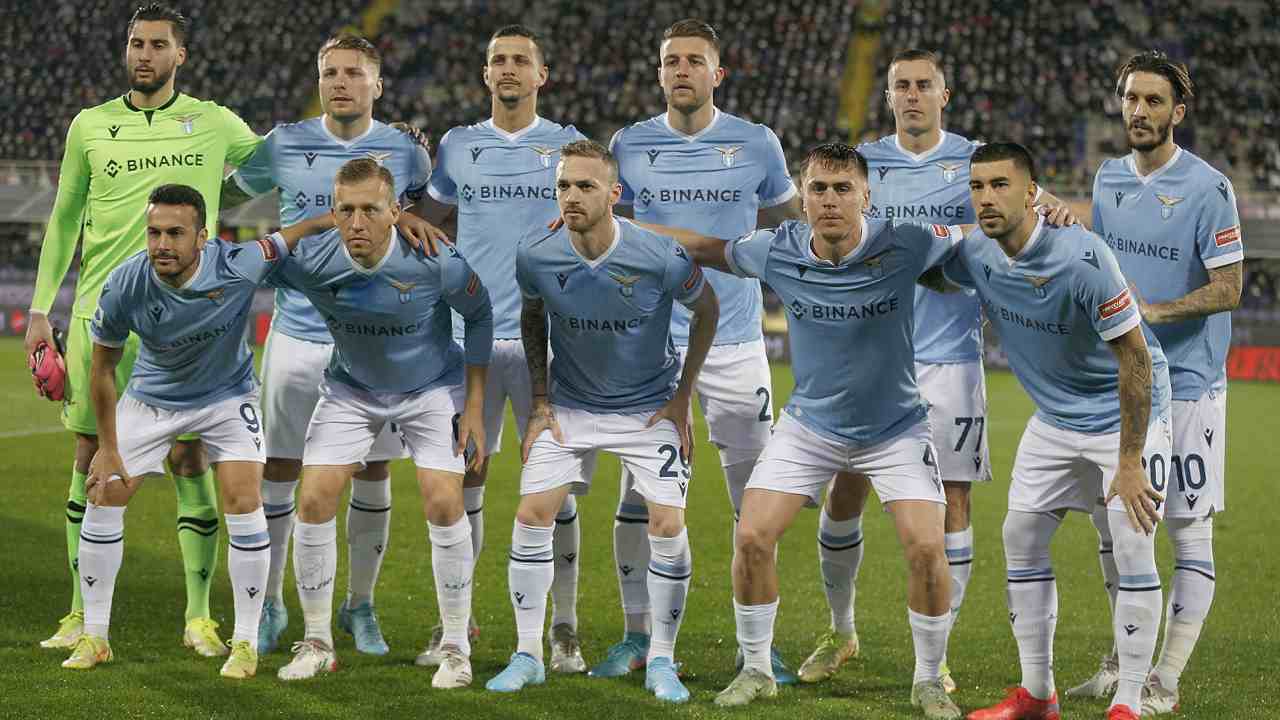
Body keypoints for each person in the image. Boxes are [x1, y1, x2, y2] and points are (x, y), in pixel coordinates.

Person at [645, 142, 962, 719]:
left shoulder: (910, 240)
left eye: (843, 189)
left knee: (925, 547)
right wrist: (620, 225)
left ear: (868, 196)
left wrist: (1046, 209)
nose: (830, 200)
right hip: (811, 425)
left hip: (894, 428)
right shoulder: (777, 249)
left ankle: (928, 680)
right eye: (818, 189)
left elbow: (983, 242)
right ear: (803, 196)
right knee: (751, 537)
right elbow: (702, 248)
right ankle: (758, 669)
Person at [805, 48, 1073, 689]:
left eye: (925, 85)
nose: (913, 95)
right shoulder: (865, 165)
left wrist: (1053, 205)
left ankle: (939, 653)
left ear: (945, 94)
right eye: (902, 85)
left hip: (950, 359)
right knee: (846, 489)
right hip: (870, 355)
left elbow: (1033, 208)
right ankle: (841, 630)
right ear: (889, 96)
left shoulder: (977, 164)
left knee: (953, 498)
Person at [26, 3, 263, 655]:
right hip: (100, 319)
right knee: (89, 459)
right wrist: (42, 308)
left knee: (191, 459)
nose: (145, 54)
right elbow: (64, 216)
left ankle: (198, 617)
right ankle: (80, 614)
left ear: (179, 55)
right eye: (136, 43)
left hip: (187, 323)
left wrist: (228, 203)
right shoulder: (90, 125)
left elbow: (271, 169)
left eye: (158, 44)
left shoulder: (214, 123)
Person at [223, 32, 447, 657]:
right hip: (297, 332)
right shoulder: (284, 142)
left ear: (377, 84)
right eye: (329, 72)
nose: (340, 82)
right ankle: (268, 604)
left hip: (376, 342)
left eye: (353, 72)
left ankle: (360, 606)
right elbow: (228, 192)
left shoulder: (406, 150)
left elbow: (425, 215)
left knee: (373, 472)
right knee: (282, 470)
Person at [603, 18, 802, 682]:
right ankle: (637, 636)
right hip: (653, 348)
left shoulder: (757, 143)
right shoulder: (628, 145)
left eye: (694, 60)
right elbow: (614, 238)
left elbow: (786, 230)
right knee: (640, 496)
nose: (681, 69)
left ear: (718, 73)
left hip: (739, 344)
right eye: (670, 60)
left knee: (756, 500)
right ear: (658, 73)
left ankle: (760, 642)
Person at [484, 140, 718, 704]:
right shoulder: (536, 253)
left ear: (614, 194)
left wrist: (683, 399)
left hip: (649, 406)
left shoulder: (659, 256)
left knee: (666, 524)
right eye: (563, 185)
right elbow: (532, 315)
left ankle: (660, 656)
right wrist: (540, 401)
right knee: (531, 514)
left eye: (585, 186)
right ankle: (528, 654)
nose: (571, 196)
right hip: (573, 405)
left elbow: (707, 310)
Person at [947, 143, 1172, 720]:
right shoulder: (976, 252)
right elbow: (912, 261)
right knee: (1019, 537)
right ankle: (1037, 695)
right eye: (977, 186)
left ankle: (1128, 703)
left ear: (1032, 193)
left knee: (1131, 541)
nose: (987, 198)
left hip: (1123, 415)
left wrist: (1129, 460)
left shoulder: (1082, 258)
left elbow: (1136, 359)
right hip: (1054, 420)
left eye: (1000, 185)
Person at [65, 184, 327, 677]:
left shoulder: (238, 263)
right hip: (151, 398)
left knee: (244, 499)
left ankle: (245, 642)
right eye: (154, 232)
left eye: (175, 233)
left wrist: (337, 218)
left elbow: (292, 234)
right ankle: (96, 636)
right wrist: (108, 446)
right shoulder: (127, 282)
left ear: (203, 237)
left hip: (227, 398)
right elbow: (102, 368)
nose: (162, 243)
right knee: (103, 492)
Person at [271, 158, 492, 690]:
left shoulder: (433, 257)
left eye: (371, 209)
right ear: (333, 212)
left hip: (432, 387)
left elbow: (480, 313)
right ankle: (318, 642)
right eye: (345, 210)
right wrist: (309, 228)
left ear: (395, 211)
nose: (357, 222)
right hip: (351, 389)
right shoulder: (314, 259)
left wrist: (477, 409)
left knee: (443, 499)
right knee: (314, 497)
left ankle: (455, 647)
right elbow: (254, 259)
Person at [1070, 51, 1242, 716]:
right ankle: (1121, 665)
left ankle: (1164, 679)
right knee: (1117, 528)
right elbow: (1101, 266)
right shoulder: (1110, 178)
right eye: (1131, 99)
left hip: (1192, 385)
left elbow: (1230, 287)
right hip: (1126, 381)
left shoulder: (1210, 187)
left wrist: (1158, 312)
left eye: (1153, 101)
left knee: (1185, 528)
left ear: (1179, 111)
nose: (1139, 111)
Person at [413, 24, 587, 672]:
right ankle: (456, 620)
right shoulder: (460, 146)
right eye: (497, 61)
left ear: (542, 75)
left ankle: (564, 628)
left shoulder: (568, 147)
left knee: (555, 489)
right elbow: (424, 228)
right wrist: (402, 184)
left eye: (520, 60)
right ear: (485, 74)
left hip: (550, 341)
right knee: (467, 476)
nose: (508, 70)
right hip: (471, 341)